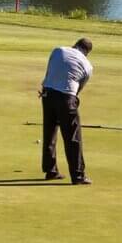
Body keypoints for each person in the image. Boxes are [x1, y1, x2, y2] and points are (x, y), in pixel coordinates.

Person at [40, 38, 94, 185]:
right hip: (66, 98)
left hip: (47, 94)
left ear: (75, 45)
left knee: (49, 132)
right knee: (72, 138)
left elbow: (49, 71)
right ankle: (78, 176)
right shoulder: (88, 66)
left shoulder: (58, 50)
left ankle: (50, 171)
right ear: (86, 52)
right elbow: (78, 90)